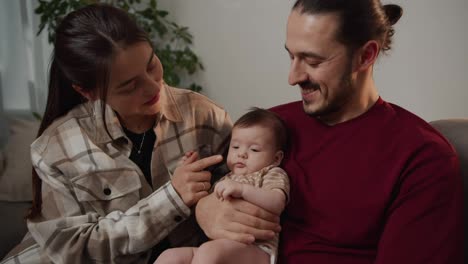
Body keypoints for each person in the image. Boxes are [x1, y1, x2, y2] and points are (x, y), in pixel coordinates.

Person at [196, 1, 464, 263]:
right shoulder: (270, 127)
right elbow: (215, 186)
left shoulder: (422, 156)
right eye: (291, 56)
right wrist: (203, 210)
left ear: (365, 55)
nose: (293, 77)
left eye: (312, 61)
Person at [1, 4, 232, 264]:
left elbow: (250, 184)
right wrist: (172, 199)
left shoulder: (204, 117)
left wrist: (216, 205)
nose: (152, 86)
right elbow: (75, 250)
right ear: (88, 92)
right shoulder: (55, 149)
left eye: (151, 65)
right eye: (130, 85)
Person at [155, 108, 289, 264]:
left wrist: (243, 190)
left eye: (254, 149)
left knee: (209, 252)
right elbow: (204, 204)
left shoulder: (270, 172)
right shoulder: (225, 179)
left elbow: (277, 202)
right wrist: (187, 167)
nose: (242, 154)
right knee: (170, 256)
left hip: (256, 249)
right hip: (217, 247)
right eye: (236, 147)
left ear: (276, 158)